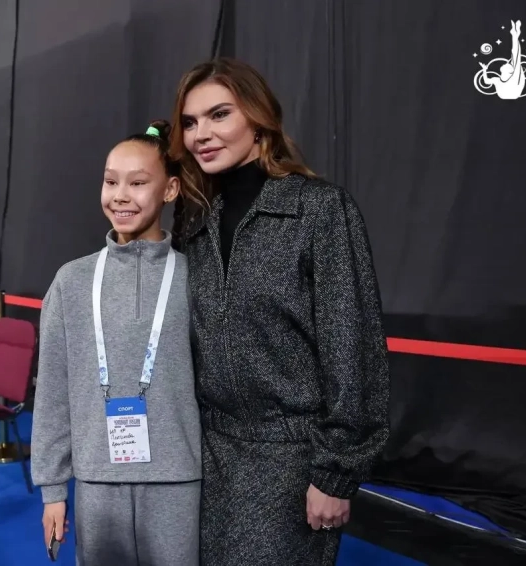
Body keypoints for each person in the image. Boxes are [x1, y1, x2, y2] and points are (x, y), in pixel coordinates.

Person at [168, 58, 390, 565]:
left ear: (259, 118)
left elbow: (352, 348)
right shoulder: (196, 226)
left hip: (292, 460)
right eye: (190, 122)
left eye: (219, 114)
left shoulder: (319, 210)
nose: (202, 134)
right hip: (207, 455)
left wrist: (335, 474)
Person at [31, 120, 202, 566]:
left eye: (138, 183)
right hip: (96, 483)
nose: (121, 195)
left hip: (178, 483)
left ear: (169, 190)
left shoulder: (195, 278)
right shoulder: (71, 281)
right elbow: (53, 391)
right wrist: (53, 489)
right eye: (111, 182)